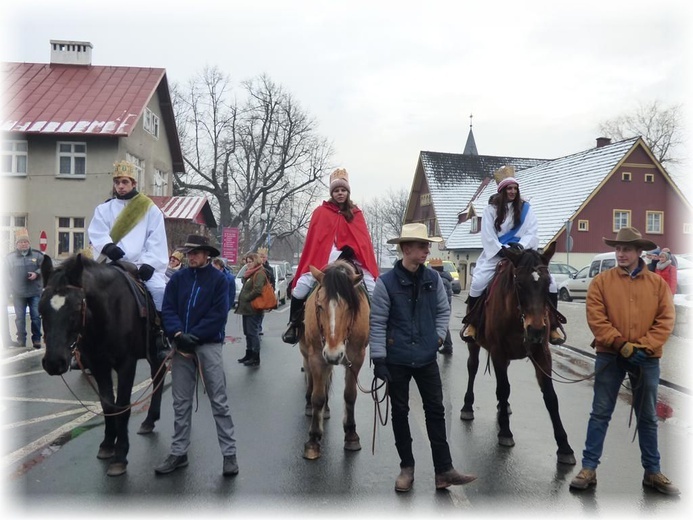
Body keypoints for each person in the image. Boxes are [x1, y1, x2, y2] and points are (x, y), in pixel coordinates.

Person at [569, 227, 678, 495]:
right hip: (610, 354)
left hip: (646, 358)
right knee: (600, 412)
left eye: (626, 249)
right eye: (618, 249)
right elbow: (596, 317)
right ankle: (589, 468)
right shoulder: (601, 282)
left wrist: (645, 346)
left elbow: (666, 320)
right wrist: (621, 344)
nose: (621, 254)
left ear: (639, 252)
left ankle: (652, 471)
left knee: (648, 417)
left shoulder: (657, 284)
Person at [369, 223, 476, 493]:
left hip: (427, 357)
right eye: (422, 246)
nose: (428, 250)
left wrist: (438, 339)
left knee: (436, 412)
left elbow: (443, 312)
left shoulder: (434, 280)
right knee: (400, 414)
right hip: (397, 358)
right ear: (406, 249)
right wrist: (379, 360)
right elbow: (378, 322)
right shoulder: (385, 284)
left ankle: (444, 471)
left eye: (428, 245)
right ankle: (407, 468)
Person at [154, 234, 238, 477]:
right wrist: (178, 333)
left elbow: (219, 314)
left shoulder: (219, 280)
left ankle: (229, 454)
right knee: (180, 402)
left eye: (196, 253)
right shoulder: (178, 278)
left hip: (208, 344)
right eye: (189, 253)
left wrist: (196, 335)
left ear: (207, 255)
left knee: (219, 401)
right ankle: (179, 452)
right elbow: (168, 308)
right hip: (181, 344)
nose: (191, 256)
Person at [463, 165, 564, 345]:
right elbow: (487, 235)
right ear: (502, 190)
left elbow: (532, 232)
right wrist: (501, 249)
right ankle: (473, 323)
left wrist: (521, 245)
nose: (512, 191)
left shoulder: (526, 209)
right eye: (509, 188)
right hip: (496, 255)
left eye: (515, 188)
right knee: (478, 283)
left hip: (522, 254)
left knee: (552, 284)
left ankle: (554, 326)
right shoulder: (490, 211)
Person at [283, 168, 379, 344]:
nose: (340, 193)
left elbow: (363, 242)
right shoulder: (320, 213)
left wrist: (353, 249)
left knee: (374, 289)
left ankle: (377, 327)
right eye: (336, 190)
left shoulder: (356, 214)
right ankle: (294, 325)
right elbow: (316, 242)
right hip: (325, 260)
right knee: (300, 289)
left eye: (343, 190)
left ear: (348, 192)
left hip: (353, 259)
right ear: (332, 193)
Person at [88, 160, 170, 360]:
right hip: (111, 263)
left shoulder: (149, 209)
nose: (120, 186)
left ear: (133, 183)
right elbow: (97, 232)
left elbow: (156, 238)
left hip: (140, 264)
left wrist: (150, 263)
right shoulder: (103, 209)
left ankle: (162, 335)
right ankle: (83, 342)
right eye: (117, 182)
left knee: (160, 290)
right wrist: (107, 246)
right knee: (85, 293)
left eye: (125, 182)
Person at [4, 228, 44, 348]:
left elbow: (45, 267)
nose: (24, 244)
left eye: (26, 242)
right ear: (17, 244)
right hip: (18, 293)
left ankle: (36, 339)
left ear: (29, 243)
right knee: (20, 318)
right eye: (21, 242)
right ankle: (21, 339)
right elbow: (5, 273)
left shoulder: (37, 255)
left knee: (36, 317)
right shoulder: (10, 258)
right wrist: (10, 286)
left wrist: (36, 273)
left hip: (34, 292)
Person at [235, 253, 269, 367]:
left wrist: (246, 297)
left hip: (254, 309)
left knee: (253, 333)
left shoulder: (259, 273)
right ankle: (248, 354)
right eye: (247, 262)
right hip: (247, 309)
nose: (248, 264)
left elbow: (257, 290)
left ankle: (255, 357)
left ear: (256, 261)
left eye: (250, 262)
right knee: (247, 333)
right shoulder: (249, 274)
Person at [429, 258, 454, 355]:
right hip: (447, 305)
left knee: (442, 325)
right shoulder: (444, 277)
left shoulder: (441, 280)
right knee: (444, 325)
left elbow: (439, 296)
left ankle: (448, 346)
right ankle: (448, 346)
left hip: (443, 306)